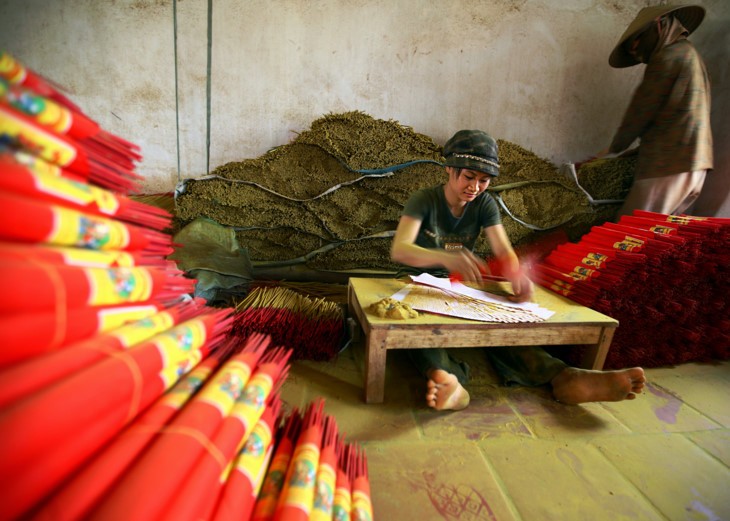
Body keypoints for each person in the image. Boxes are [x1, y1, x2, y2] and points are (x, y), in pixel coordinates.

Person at [391, 129, 646, 411]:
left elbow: (504, 251)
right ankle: (448, 380)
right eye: (468, 177)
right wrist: (445, 257)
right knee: (421, 328)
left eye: (484, 180)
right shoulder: (424, 200)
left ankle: (563, 376)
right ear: (449, 169)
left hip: (461, 287)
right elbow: (400, 250)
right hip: (416, 283)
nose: (475, 187)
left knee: (504, 324)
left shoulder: (484, 204)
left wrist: (517, 276)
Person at [598, 4, 713, 218]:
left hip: (668, 164)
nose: (636, 52)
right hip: (697, 164)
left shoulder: (667, 57)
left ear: (659, 26)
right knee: (662, 234)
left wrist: (612, 149)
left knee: (631, 230)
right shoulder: (690, 54)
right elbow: (676, 113)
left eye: (637, 42)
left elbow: (642, 109)